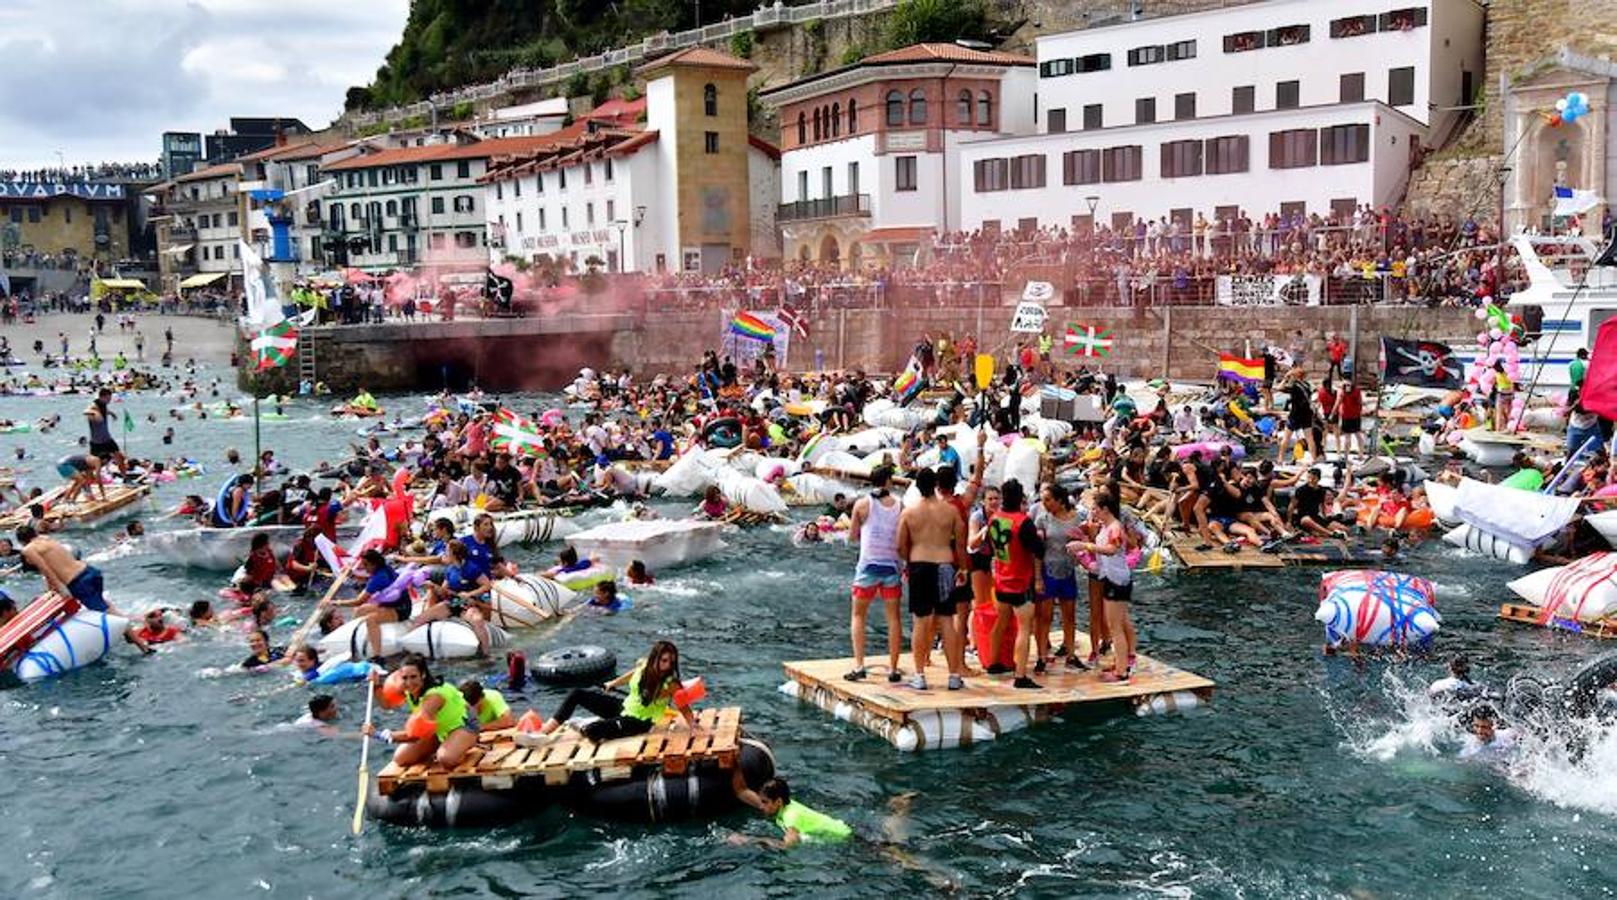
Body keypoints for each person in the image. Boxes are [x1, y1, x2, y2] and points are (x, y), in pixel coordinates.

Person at [533, 640, 699, 742]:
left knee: (593, 731)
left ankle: (583, 725)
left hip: (639, 722)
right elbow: (633, 674)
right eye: (664, 661)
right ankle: (545, 731)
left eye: (671, 662)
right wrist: (613, 683)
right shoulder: (645, 665)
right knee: (576, 694)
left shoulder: (671, 683)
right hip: (623, 708)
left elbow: (683, 705)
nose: (667, 666)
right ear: (654, 658)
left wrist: (692, 725)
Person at [896, 467, 969, 690]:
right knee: (947, 621)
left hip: (920, 565)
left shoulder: (909, 513)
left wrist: (909, 561)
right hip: (946, 565)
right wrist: (963, 569)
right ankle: (954, 675)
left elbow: (900, 546)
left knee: (921, 620)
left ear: (917, 487)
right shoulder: (951, 512)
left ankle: (919, 675)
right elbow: (960, 544)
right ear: (936, 484)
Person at [845, 466, 905, 683]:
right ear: (889, 481)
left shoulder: (862, 504)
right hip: (891, 566)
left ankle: (859, 665)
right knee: (894, 619)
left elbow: (852, 536)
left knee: (858, 615)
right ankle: (894, 669)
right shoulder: (900, 505)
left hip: (868, 566)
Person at [365, 654, 478, 768]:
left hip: (463, 724)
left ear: (423, 675)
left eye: (413, 677)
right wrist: (376, 686)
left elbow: (415, 735)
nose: (409, 683)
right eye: (405, 678)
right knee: (401, 758)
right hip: (438, 728)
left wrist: (379, 735)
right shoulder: (407, 688)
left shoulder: (433, 698)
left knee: (446, 759)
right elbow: (387, 705)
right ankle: (445, 743)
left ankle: (466, 742)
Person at [1069, 491, 1136, 682]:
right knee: (1116, 624)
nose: (1093, 513)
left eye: (1095, 509)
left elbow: (1112, 549)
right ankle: (1121, 663)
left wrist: (1085, 546)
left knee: (1115, 627)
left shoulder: (1114, 527)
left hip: (1117, 579)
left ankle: (1121, 672)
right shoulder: (1106, 526)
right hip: (1111, 577)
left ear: (1104, 509)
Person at [987, 479, 1045, 689]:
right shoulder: (1023, 522)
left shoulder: (994, 518)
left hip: (1001, 579)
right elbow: (1038, 549)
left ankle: (993, 663)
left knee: (1000, 621)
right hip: (1020, 582)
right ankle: (1020, 675)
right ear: (1020, 498)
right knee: (1024, 628)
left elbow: (989, 546)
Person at [412, 540, 494, 655]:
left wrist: (469, 594)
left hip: (469, 604)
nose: (444, 554)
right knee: (421, 619)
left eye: (447, 551)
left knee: (477, 621)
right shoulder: (450, 570)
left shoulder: (471, 568)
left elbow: (487, 585)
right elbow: (444, 591)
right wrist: (434, 587)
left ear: (454, 554)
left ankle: (486, 653)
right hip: (453, 603)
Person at [731, 777, 852, 848]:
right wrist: (733, 763)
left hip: (843, 839)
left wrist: (747, 840)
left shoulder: (790, 816)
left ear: (778, 801)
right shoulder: (782, 805)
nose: (761, 806)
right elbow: (742, 792)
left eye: (765, 802)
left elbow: (787, 846)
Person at [336, 549, 410, 663]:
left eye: (366, 565)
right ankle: (351, 641)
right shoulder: (383, 568)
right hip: (392, 605)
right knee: (360, 610)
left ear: (374, 564)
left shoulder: (379, 577)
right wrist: (351, 573)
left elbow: (358, 601)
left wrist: (337, 603)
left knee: (371, 620)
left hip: (401, 609)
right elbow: (364, 579)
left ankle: (377, 656)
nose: (364, 567)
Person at [84, 387, 128, 477]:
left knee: (120, 457)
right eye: (108, 399)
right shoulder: (94, 406)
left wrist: (111, 413)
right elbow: (85, 411)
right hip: (97, 441)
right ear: (102, 397)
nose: (110, 401)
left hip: (107, 439)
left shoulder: (103, 404)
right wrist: (95, 414)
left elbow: (105, 410)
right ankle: (88, 481)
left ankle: (125, 478)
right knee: (91, 464)